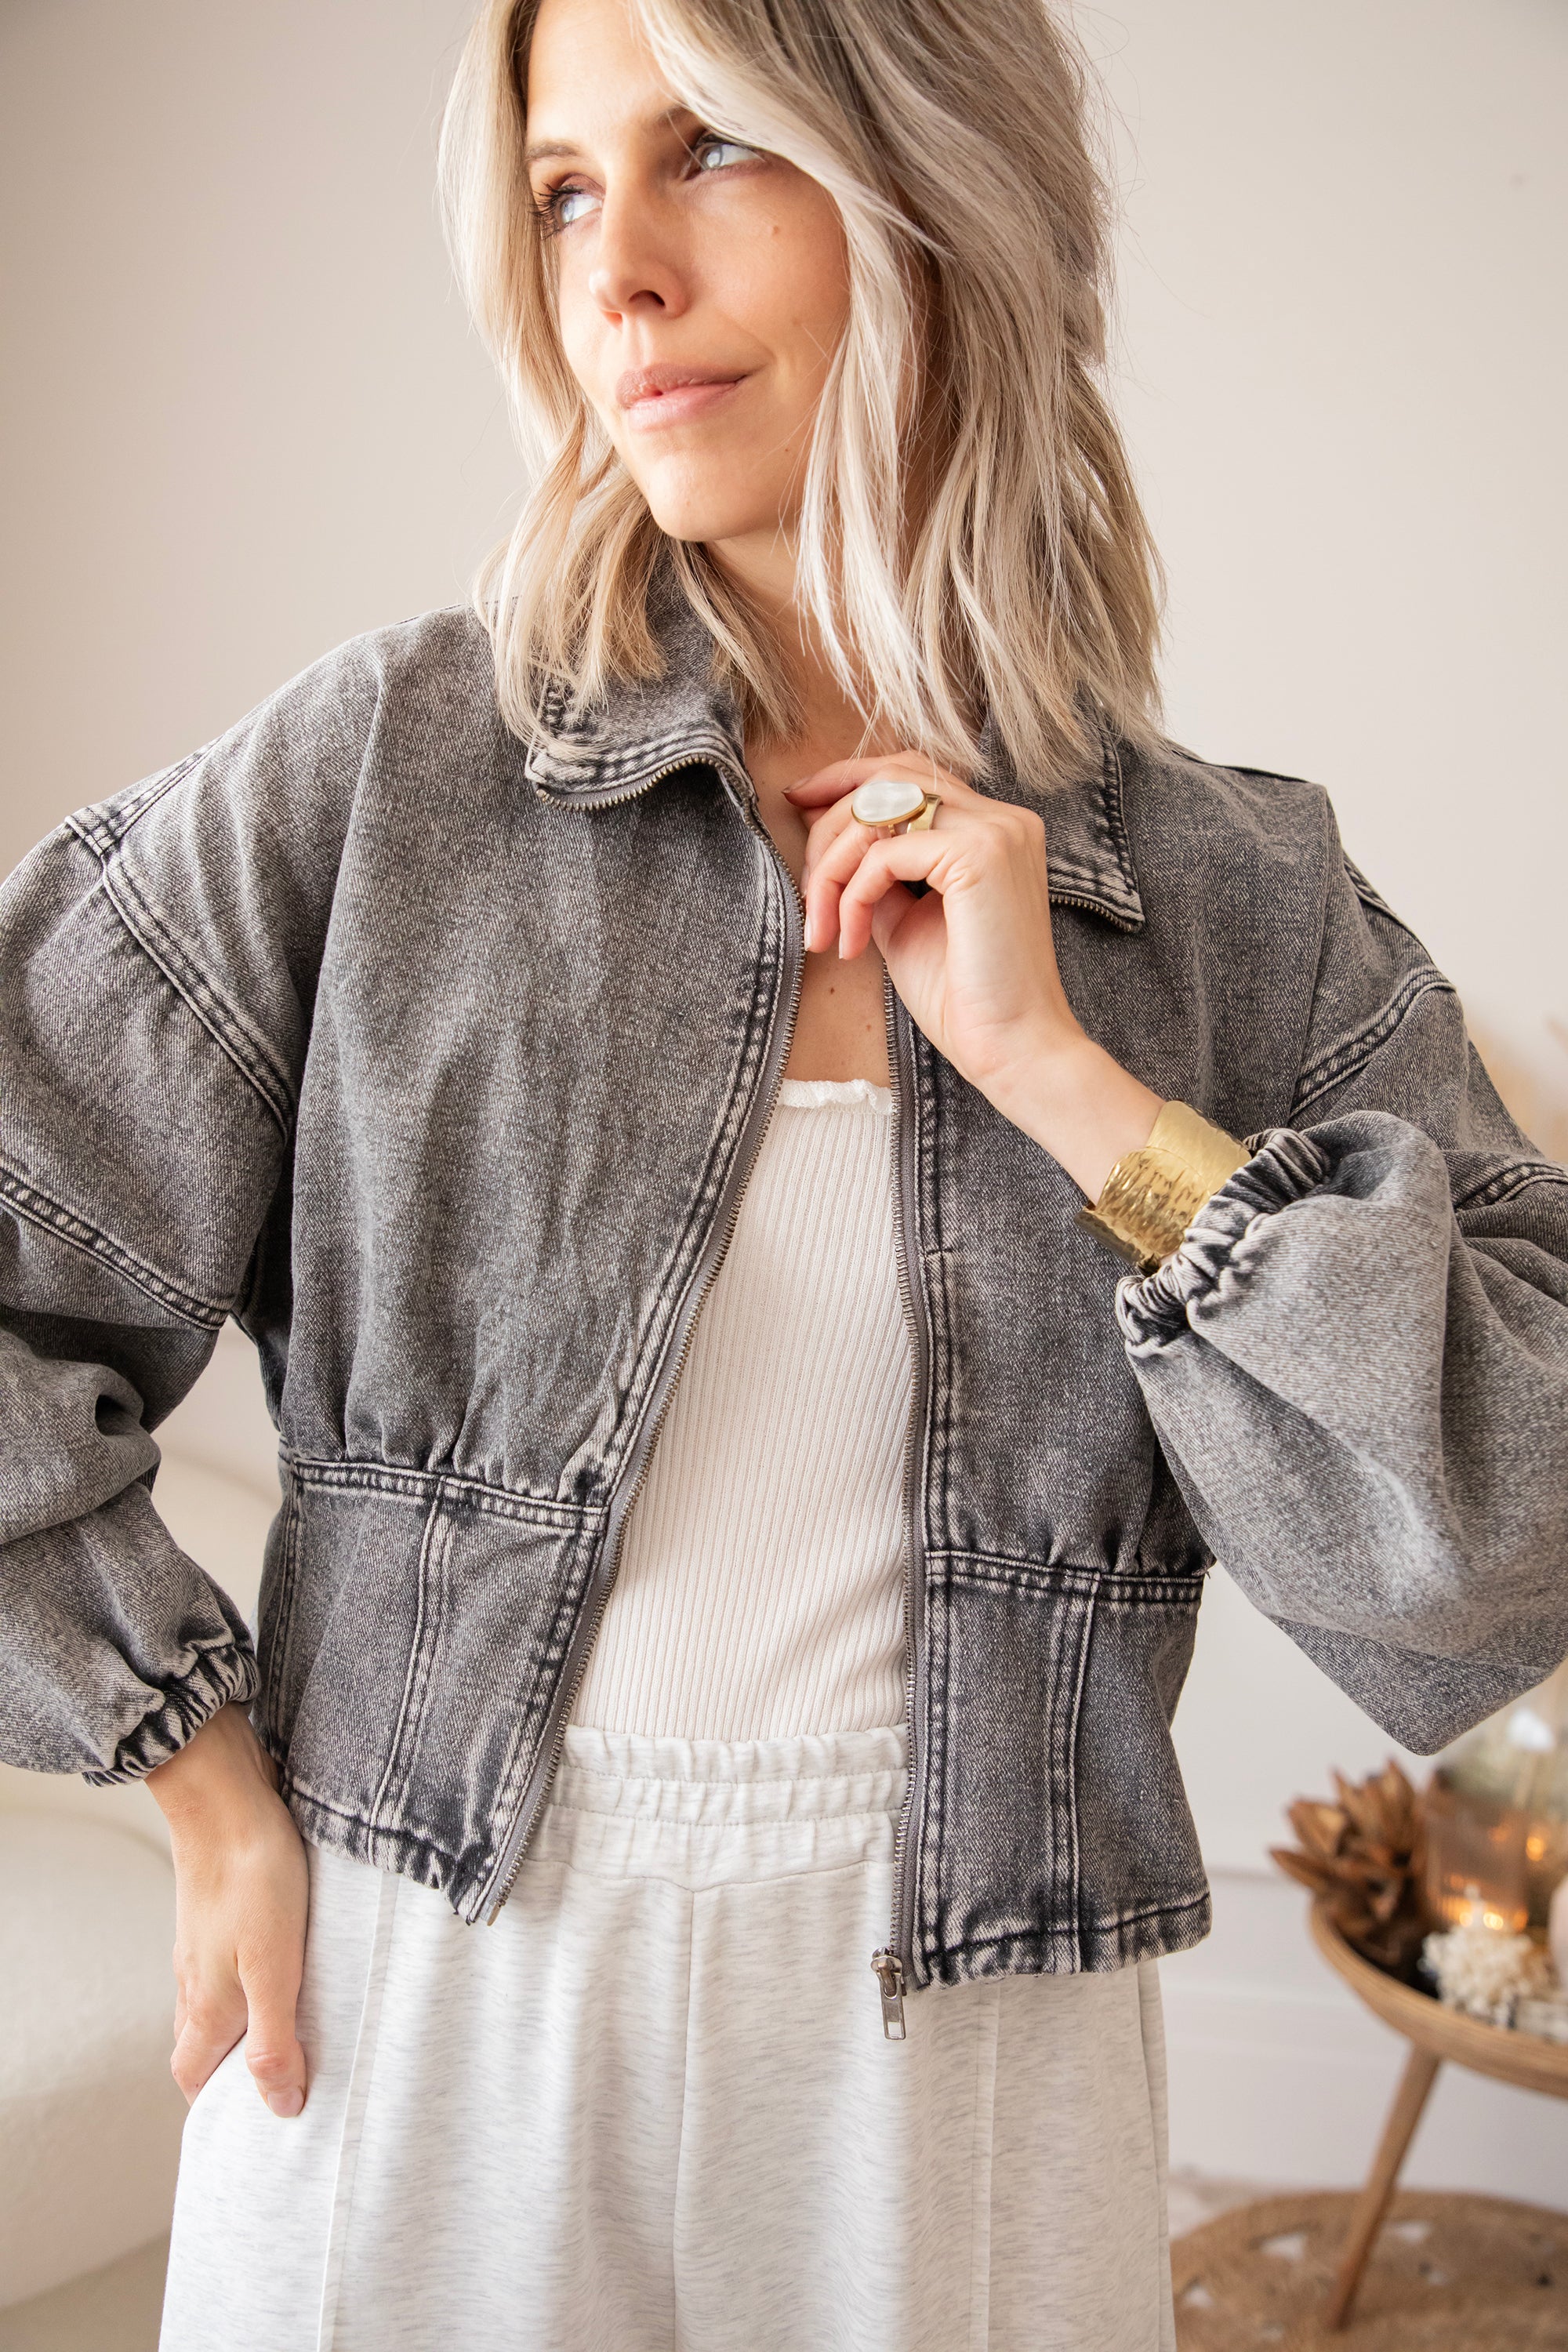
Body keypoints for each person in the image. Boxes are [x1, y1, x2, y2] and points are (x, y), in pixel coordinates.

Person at [2, 0, 1566, 2342]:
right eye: (561, 190)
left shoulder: (1234, 898)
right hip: (426, 1996)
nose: (613, 269)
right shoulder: (382, 777)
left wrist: (1070, 1085)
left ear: (935, 190)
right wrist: (199, 1778)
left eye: (711, 150)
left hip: (974, 2044)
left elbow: (1511, 1522)